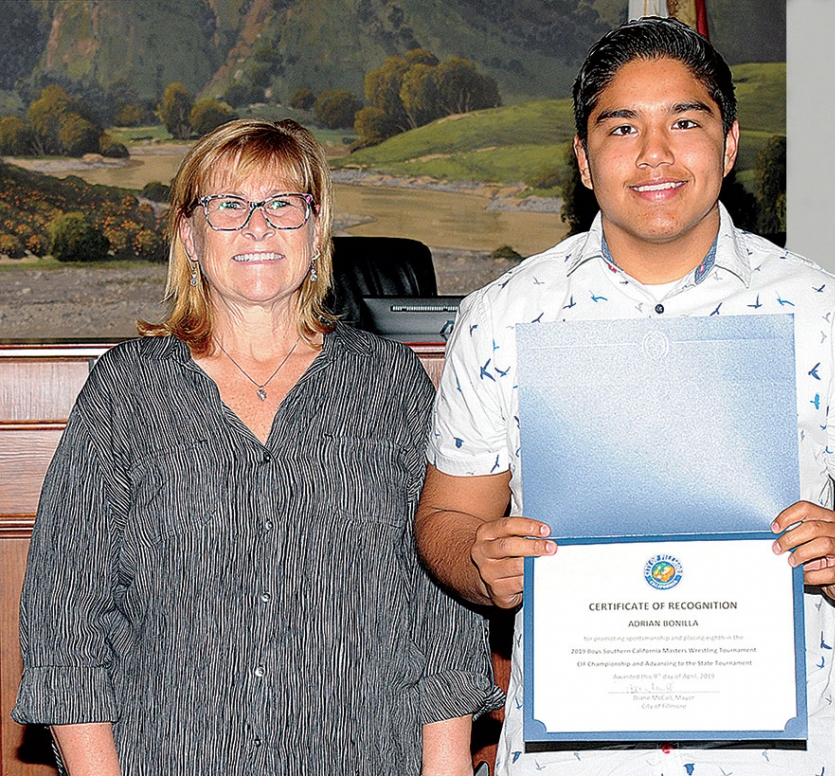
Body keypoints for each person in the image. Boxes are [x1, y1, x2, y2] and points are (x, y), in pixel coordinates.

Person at [415, 17, 835, 776]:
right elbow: (447, 516)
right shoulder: (503, 318)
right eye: (621, 126)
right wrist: (474, 557)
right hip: (574, 757)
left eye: (685, 122)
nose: (654, 153)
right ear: (584, 161)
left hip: (790, 757)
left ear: (728, 145)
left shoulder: (829, 312)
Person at [14, 118, 501, 776]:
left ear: (314, 225)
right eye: (229, 205)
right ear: (189, 233)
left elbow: (440, 612)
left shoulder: (388, 385)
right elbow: (66, 611)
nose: (258, 226)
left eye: (282, 203)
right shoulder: (125, 391)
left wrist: (445, 767)